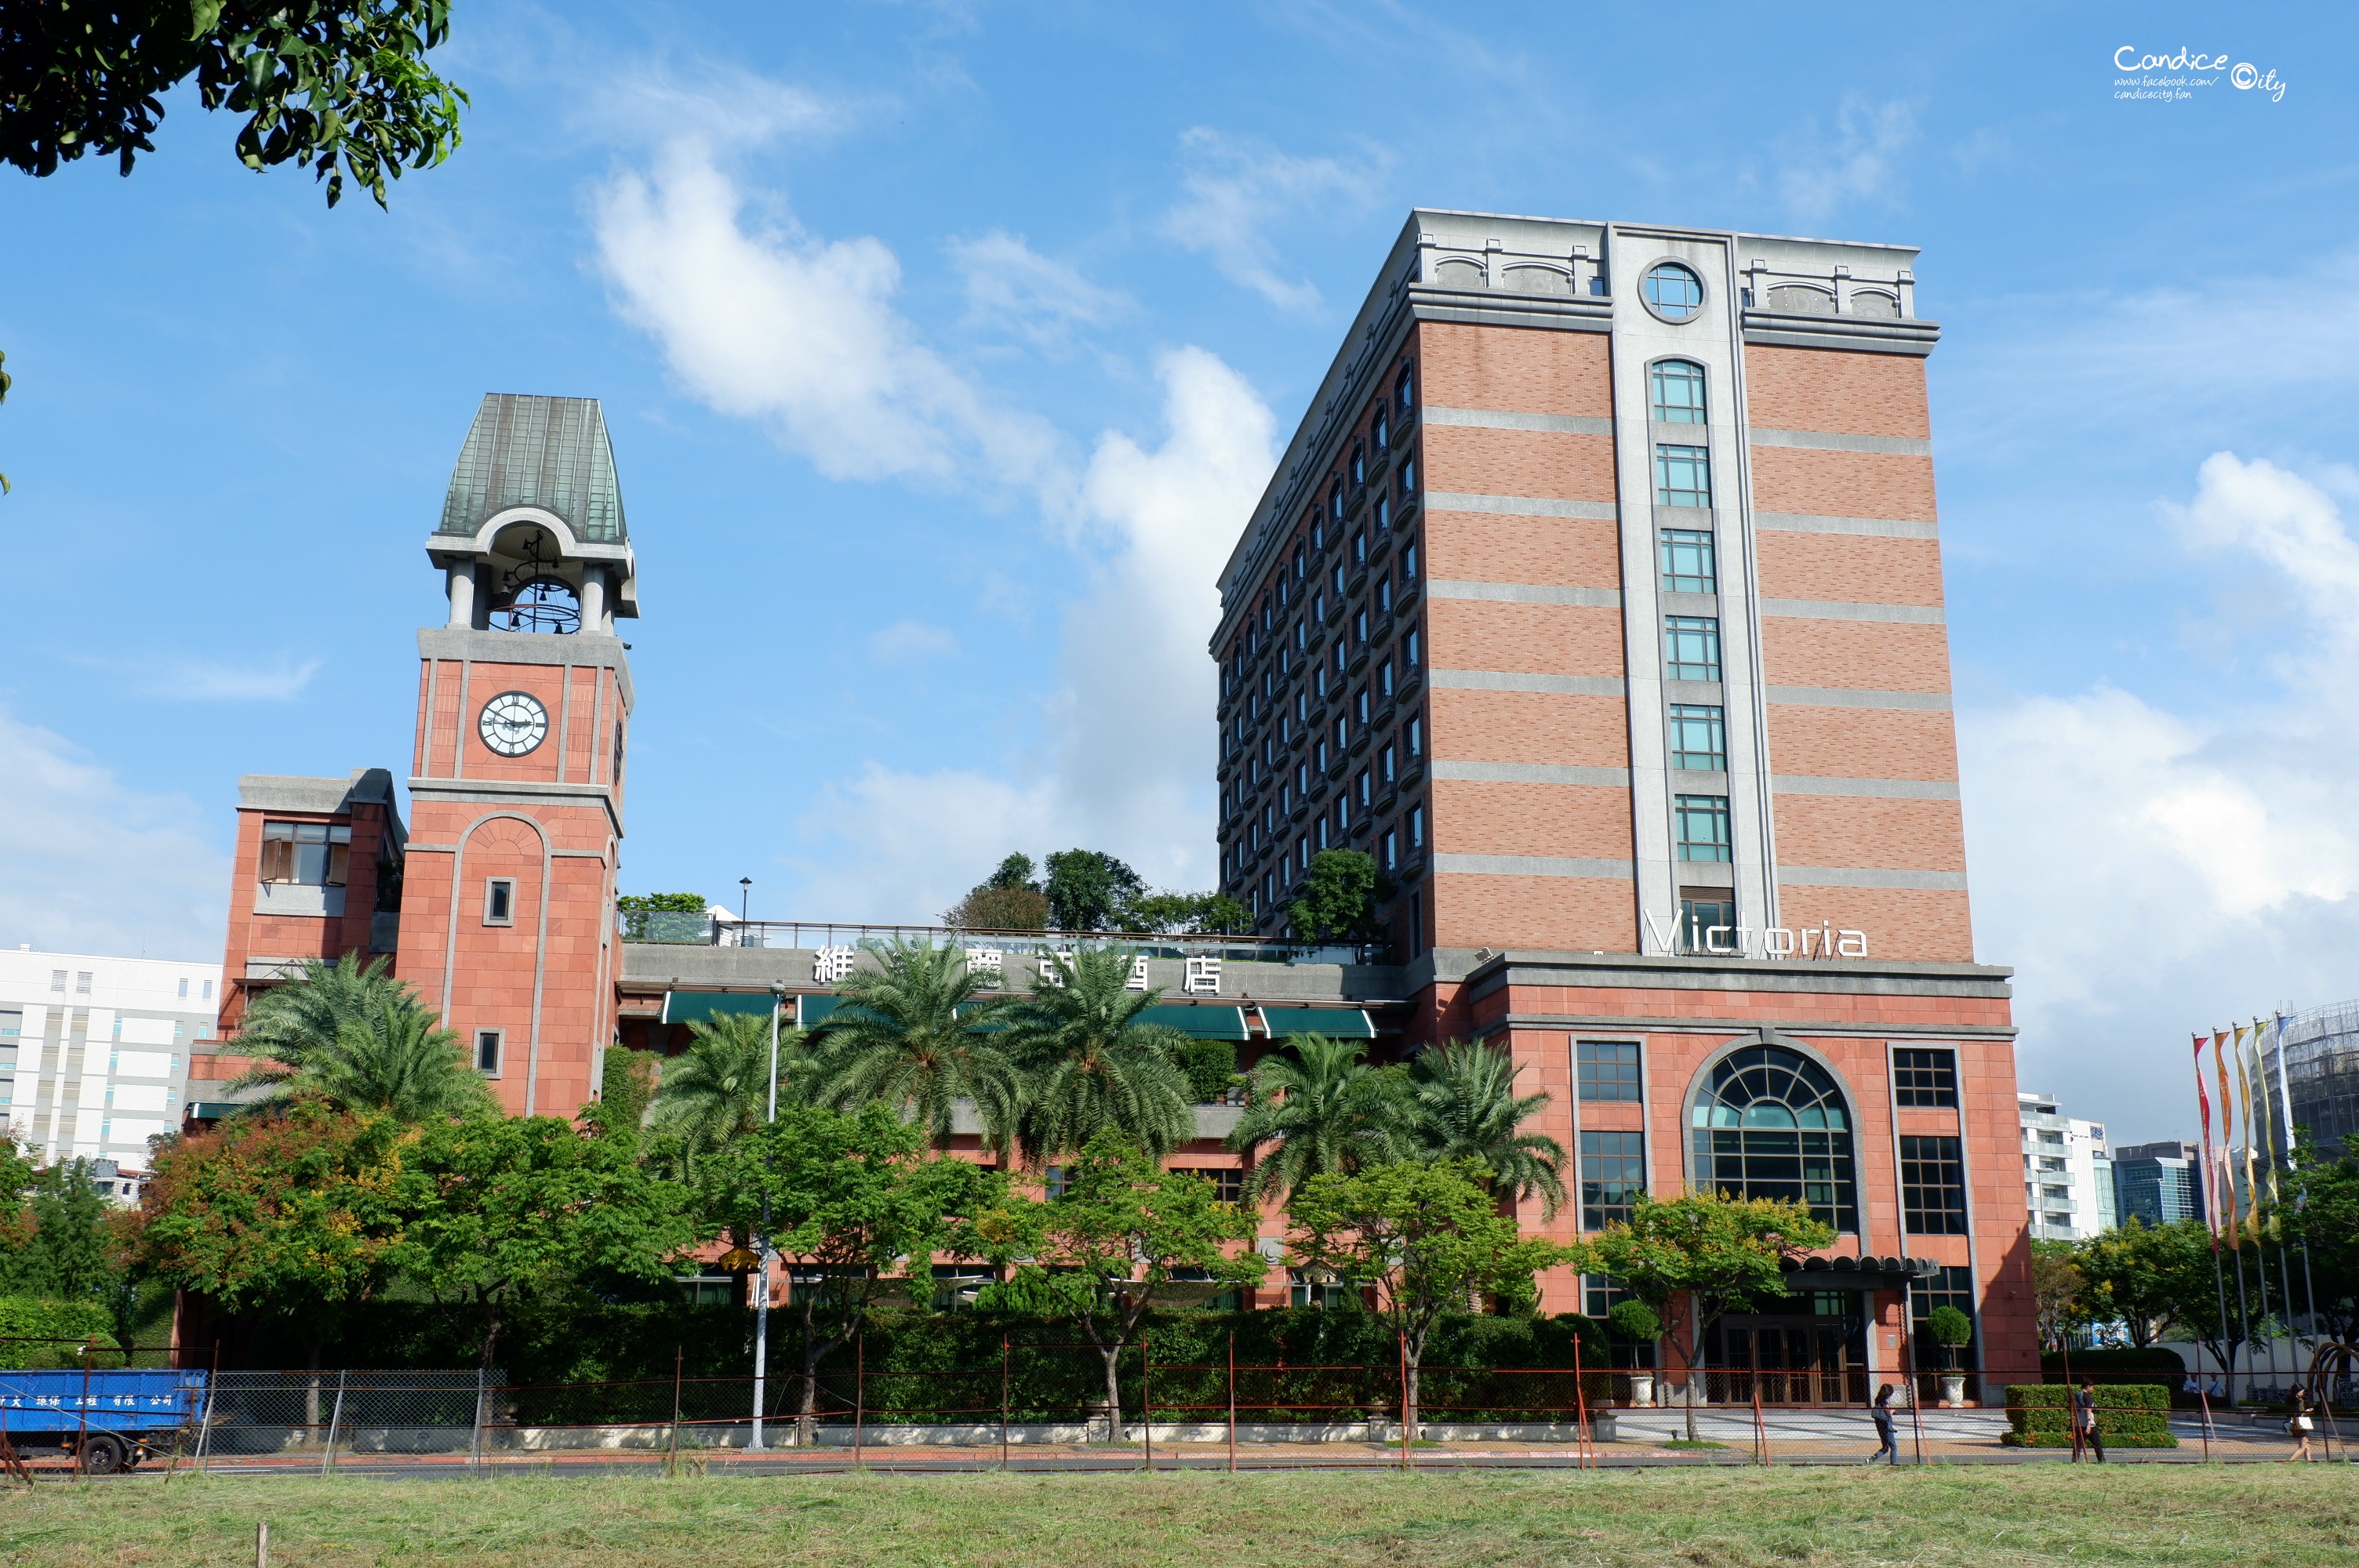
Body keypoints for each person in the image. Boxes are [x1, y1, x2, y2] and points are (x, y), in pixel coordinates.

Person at [2072, 1377, 2106, 1463]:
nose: (2092, 1389)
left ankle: (2075, 1461)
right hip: (2088, 1424)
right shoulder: (2087, 1397)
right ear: (2088, 1386)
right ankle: (2102, 1461)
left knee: (2078, 1444)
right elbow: (2088, 1410)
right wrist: (2088, 1426)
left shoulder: (2076, 1395)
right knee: (2097, 1443)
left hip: (2079, 1423)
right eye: (2092, 1387)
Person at [1866, 1382, 1899, 1465]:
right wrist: (1893, 1411)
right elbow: (1888, 1413)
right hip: (1886, 1426)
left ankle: (1871, 1460)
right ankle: (1893, 1463)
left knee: (1885, 1447)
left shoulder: (1878, 1400)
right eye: (1890, 1394)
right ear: (1887, 1394)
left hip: (1881, 1426)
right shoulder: (1884, 1402)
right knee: (1893, 1446)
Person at [2287, 1388, 2316, 1463]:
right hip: (2301, 1424)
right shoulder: (2300, 1401)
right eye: (2302, 1392)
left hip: (2294, 1424)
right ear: (2298, 1391)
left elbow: (2290, 1414)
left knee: (2307, 1445)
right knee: (2302, 1446)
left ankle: (2309, 1461)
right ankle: (2290, 1461)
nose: (2303, 1393)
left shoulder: (2289, 1401)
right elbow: (2300, 1414)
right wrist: (2306, 1412)